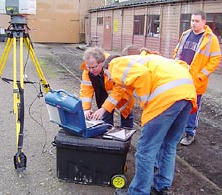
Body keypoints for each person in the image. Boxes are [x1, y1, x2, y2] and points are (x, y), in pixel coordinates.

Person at [102, 53, 197, 195]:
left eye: (107, 75)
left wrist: (145, 102)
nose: (109, 78)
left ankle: (138, 192)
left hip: (166, 97)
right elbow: (182, 65)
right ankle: (162, 186)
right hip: (187, 94)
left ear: (108, 66)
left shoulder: (116, 64)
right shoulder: (148, 60)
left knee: (145, 150)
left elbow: (142, 75)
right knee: (169, 145)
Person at [174, 10, 221, 146]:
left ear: (204, 22)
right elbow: (177, 52)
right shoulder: (186, 34)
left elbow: (215, 59)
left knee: (193, 107)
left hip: (196, 81)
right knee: (179, 105)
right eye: (192, 21)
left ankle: (190, 133)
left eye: (196, 21)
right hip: (181, 77)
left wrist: (202, 75)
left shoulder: (210, 39)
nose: (193, 23)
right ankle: (177, 132)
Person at [79, 46, 135, 128]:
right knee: (105, 121)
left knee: (126, 117)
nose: (90, 70)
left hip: (123, 97)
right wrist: (86, 109)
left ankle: (126, 138)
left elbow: (118, 91)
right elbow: (86, 90)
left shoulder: (115, 67)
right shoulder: (88, 69)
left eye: (93, 67)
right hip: (103, 96)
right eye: (88, 67)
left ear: (102, 62)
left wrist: (103, 109)